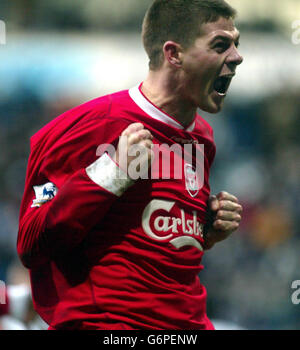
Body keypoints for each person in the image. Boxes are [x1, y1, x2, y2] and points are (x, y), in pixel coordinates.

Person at [17, 0, 243, 330]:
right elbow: (32, 244)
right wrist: (111, 174)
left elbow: (144, 236)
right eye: (221, 45)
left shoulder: (202, 138)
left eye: (237, 44)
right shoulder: (89, 127)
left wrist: (202, 232)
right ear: (173, 54)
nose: (237, 56)